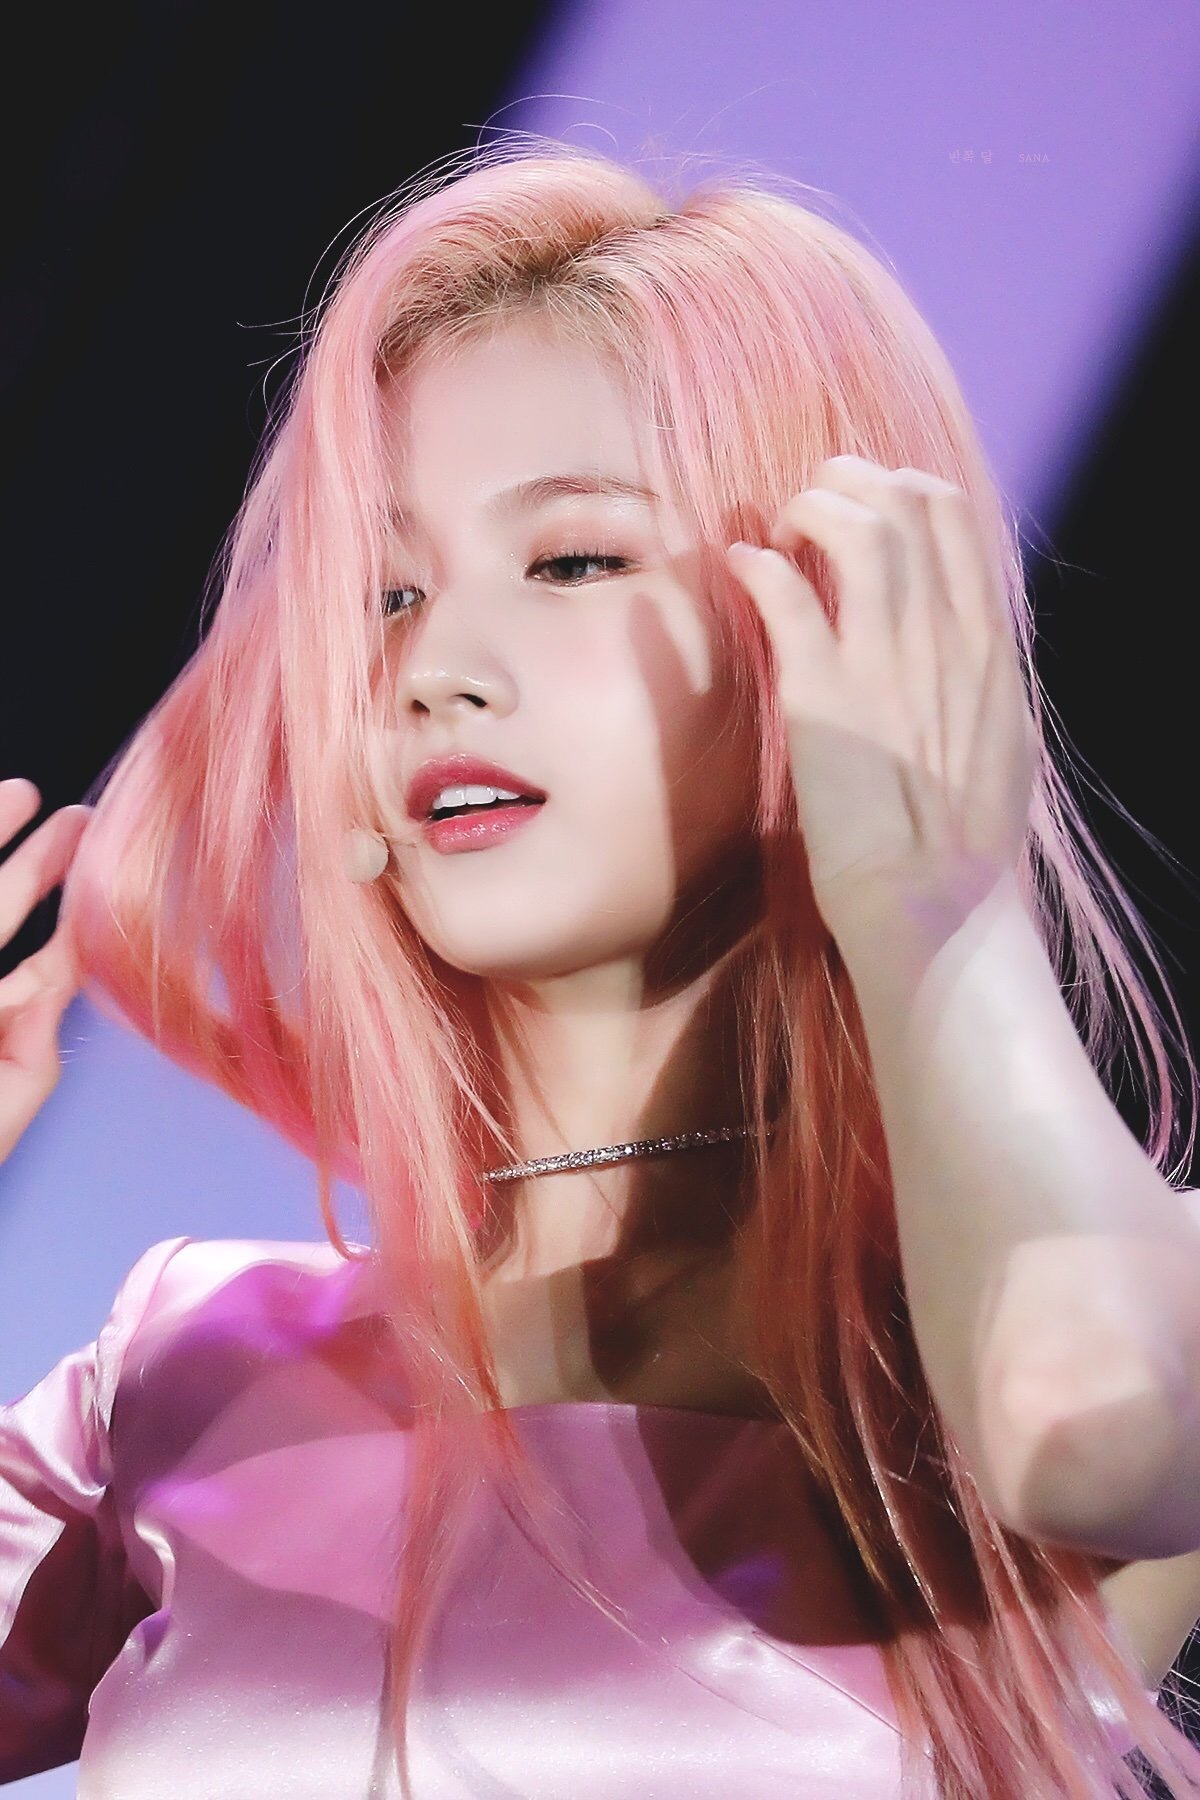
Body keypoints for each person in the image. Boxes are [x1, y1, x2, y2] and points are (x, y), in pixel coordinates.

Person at [1, 141, 1199, 1798]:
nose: (433, 668)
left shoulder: (1083, 1301)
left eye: (571, 560)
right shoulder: (181, 1370)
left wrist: (936, 891)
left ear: (826, 627)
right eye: (383, 594)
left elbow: (1090, 1424)